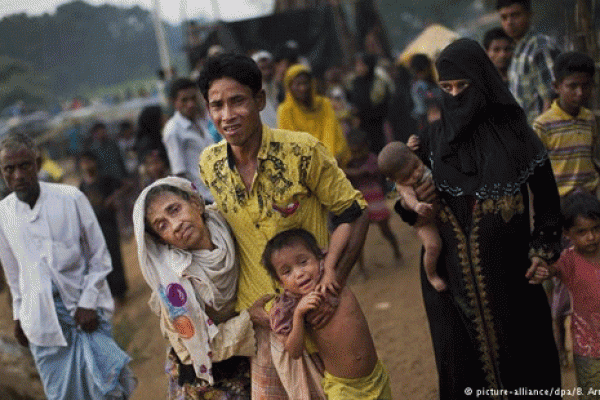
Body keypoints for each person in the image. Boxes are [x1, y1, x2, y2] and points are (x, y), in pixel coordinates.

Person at [397, 38, 562, 398]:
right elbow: (407, 209)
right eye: (446, 87)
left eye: (463, 86)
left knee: (526, 371)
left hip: (514, 285)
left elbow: (548, 200)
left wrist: (543, 250)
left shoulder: (518, 137)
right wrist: (415, 205)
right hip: (452, 293)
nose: (455, 96)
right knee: (464, 373)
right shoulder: (430, 142)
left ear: (483, 82)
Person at [198, 53, 369, 398]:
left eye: (237, 101)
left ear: (260, 100)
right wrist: (249, 312)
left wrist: (331, 285)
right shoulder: (210, 165)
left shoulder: (302, 152)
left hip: (322, 317)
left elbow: (354, 211)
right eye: (217, 105)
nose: (227, 115)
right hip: (267, 326)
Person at [0, 132, 136, 400]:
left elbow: (99, 254)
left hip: (85, 314)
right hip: (40, 322)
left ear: (37, 164)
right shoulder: (3, 213)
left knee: (106, 390)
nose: (18, 175)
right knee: (61, 394)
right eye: (9, 169)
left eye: (25, 165)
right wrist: (18, 316)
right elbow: (13, 272)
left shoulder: (71, 198)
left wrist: (87, 302)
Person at [133, 177, 266, 399]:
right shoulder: (174, 287)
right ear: (162, 240)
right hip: (207, 374)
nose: (175, 225)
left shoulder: (231, 223)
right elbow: (194, 348)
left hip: (251, 354)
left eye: (174, 210)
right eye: (162, 225)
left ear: (196, 203)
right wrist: (249, 319)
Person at [263, 228, 392, 399]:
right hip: (344, 390)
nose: (299, 273)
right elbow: (294, 351)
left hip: (377, 376)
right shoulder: (289, 306)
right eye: (287, 272)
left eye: (303, 262)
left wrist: (330, 267)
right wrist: (299, 315)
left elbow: (347, 228)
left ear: (318, 257)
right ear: (280, 281)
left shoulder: (330, 273)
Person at [540, 193, 600, 399]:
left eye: (596, 229)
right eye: (582, 231)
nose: (591, 237)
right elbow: (550, 270)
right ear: (567, 233)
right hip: (588, 348)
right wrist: (543, 269)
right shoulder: (569, 260)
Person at [378, 141, 444, 292]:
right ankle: (432, 275)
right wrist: (416, 206)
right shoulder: (402, 185)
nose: (416, 174)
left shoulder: (413, 158)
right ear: (393, 180)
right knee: (433, 246)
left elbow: (404, 152)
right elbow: (408, 197)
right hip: (424, 222)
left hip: (442, 213)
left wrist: (410, 145)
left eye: (415, 166)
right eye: (407, 177)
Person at [533, 51, 599, 199]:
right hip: (559, 200)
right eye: (572, 86)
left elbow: (590, 157)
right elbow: (536, 171)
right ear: (556, 86)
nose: (580, 93)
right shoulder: (543, 124)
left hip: (589, 197)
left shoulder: (589, 119)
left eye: (586, 86)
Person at [343, 129, 401, 278]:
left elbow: (361, 173)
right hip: (361, 201)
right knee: (358, 239)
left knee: (385, 231)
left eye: (358, 150)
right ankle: (361, 268)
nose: (356, 154)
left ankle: (397, 251)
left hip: (375, 200)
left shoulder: (373, 160)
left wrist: (343, 169)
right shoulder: (351, 161)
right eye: (353, 151)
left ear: (365, 147)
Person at [498, 0, 561, 124]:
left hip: (540, 134)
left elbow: (553, 97)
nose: (509, 22)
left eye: (515, 15)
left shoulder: (540, 47)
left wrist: (540, 134)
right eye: (504, 17)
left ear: (530, 15)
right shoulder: (519, 49)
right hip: (524, 134)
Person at [78, 151, 129, 303]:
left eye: (89, 161)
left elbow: (126, 186)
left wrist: (113, 199)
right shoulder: (83, 185)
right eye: (84, 162)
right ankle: (112, 293)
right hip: (93, 228)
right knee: (100, 260)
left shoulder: (105, 179)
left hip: (109, 224)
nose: (87, 165)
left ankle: (120, 292)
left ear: (95, 163)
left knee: (114, 256)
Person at [277, 63, 350, 167]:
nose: (303, 88)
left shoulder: (324, 104)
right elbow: (289, 143)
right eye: (298, 84)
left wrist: (327, 160)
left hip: (330, 164)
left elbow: (333, 134)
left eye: (305, 83)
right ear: (289, 86)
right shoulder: (285, 110)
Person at [162, 78, 215, 203]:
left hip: (217, 190)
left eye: (193, 98)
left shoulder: (201, 121)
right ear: (174, 102)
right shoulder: (173, 130)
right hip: (202, 196)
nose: (190, 104)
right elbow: (179, 172)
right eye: (184, 100)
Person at [347, 53, 392, 154]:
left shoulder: (378, 83)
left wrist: (362, 112)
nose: (358, 68)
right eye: (357, 65)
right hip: (362, 129)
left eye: (362, 65)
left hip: (378, 127)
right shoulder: (355, 83)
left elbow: (383, 107)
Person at [252, 50, 279, 128]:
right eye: (263, 68)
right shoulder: (253, 93)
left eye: (269, 67)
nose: (267, 72)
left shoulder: (282, 87)